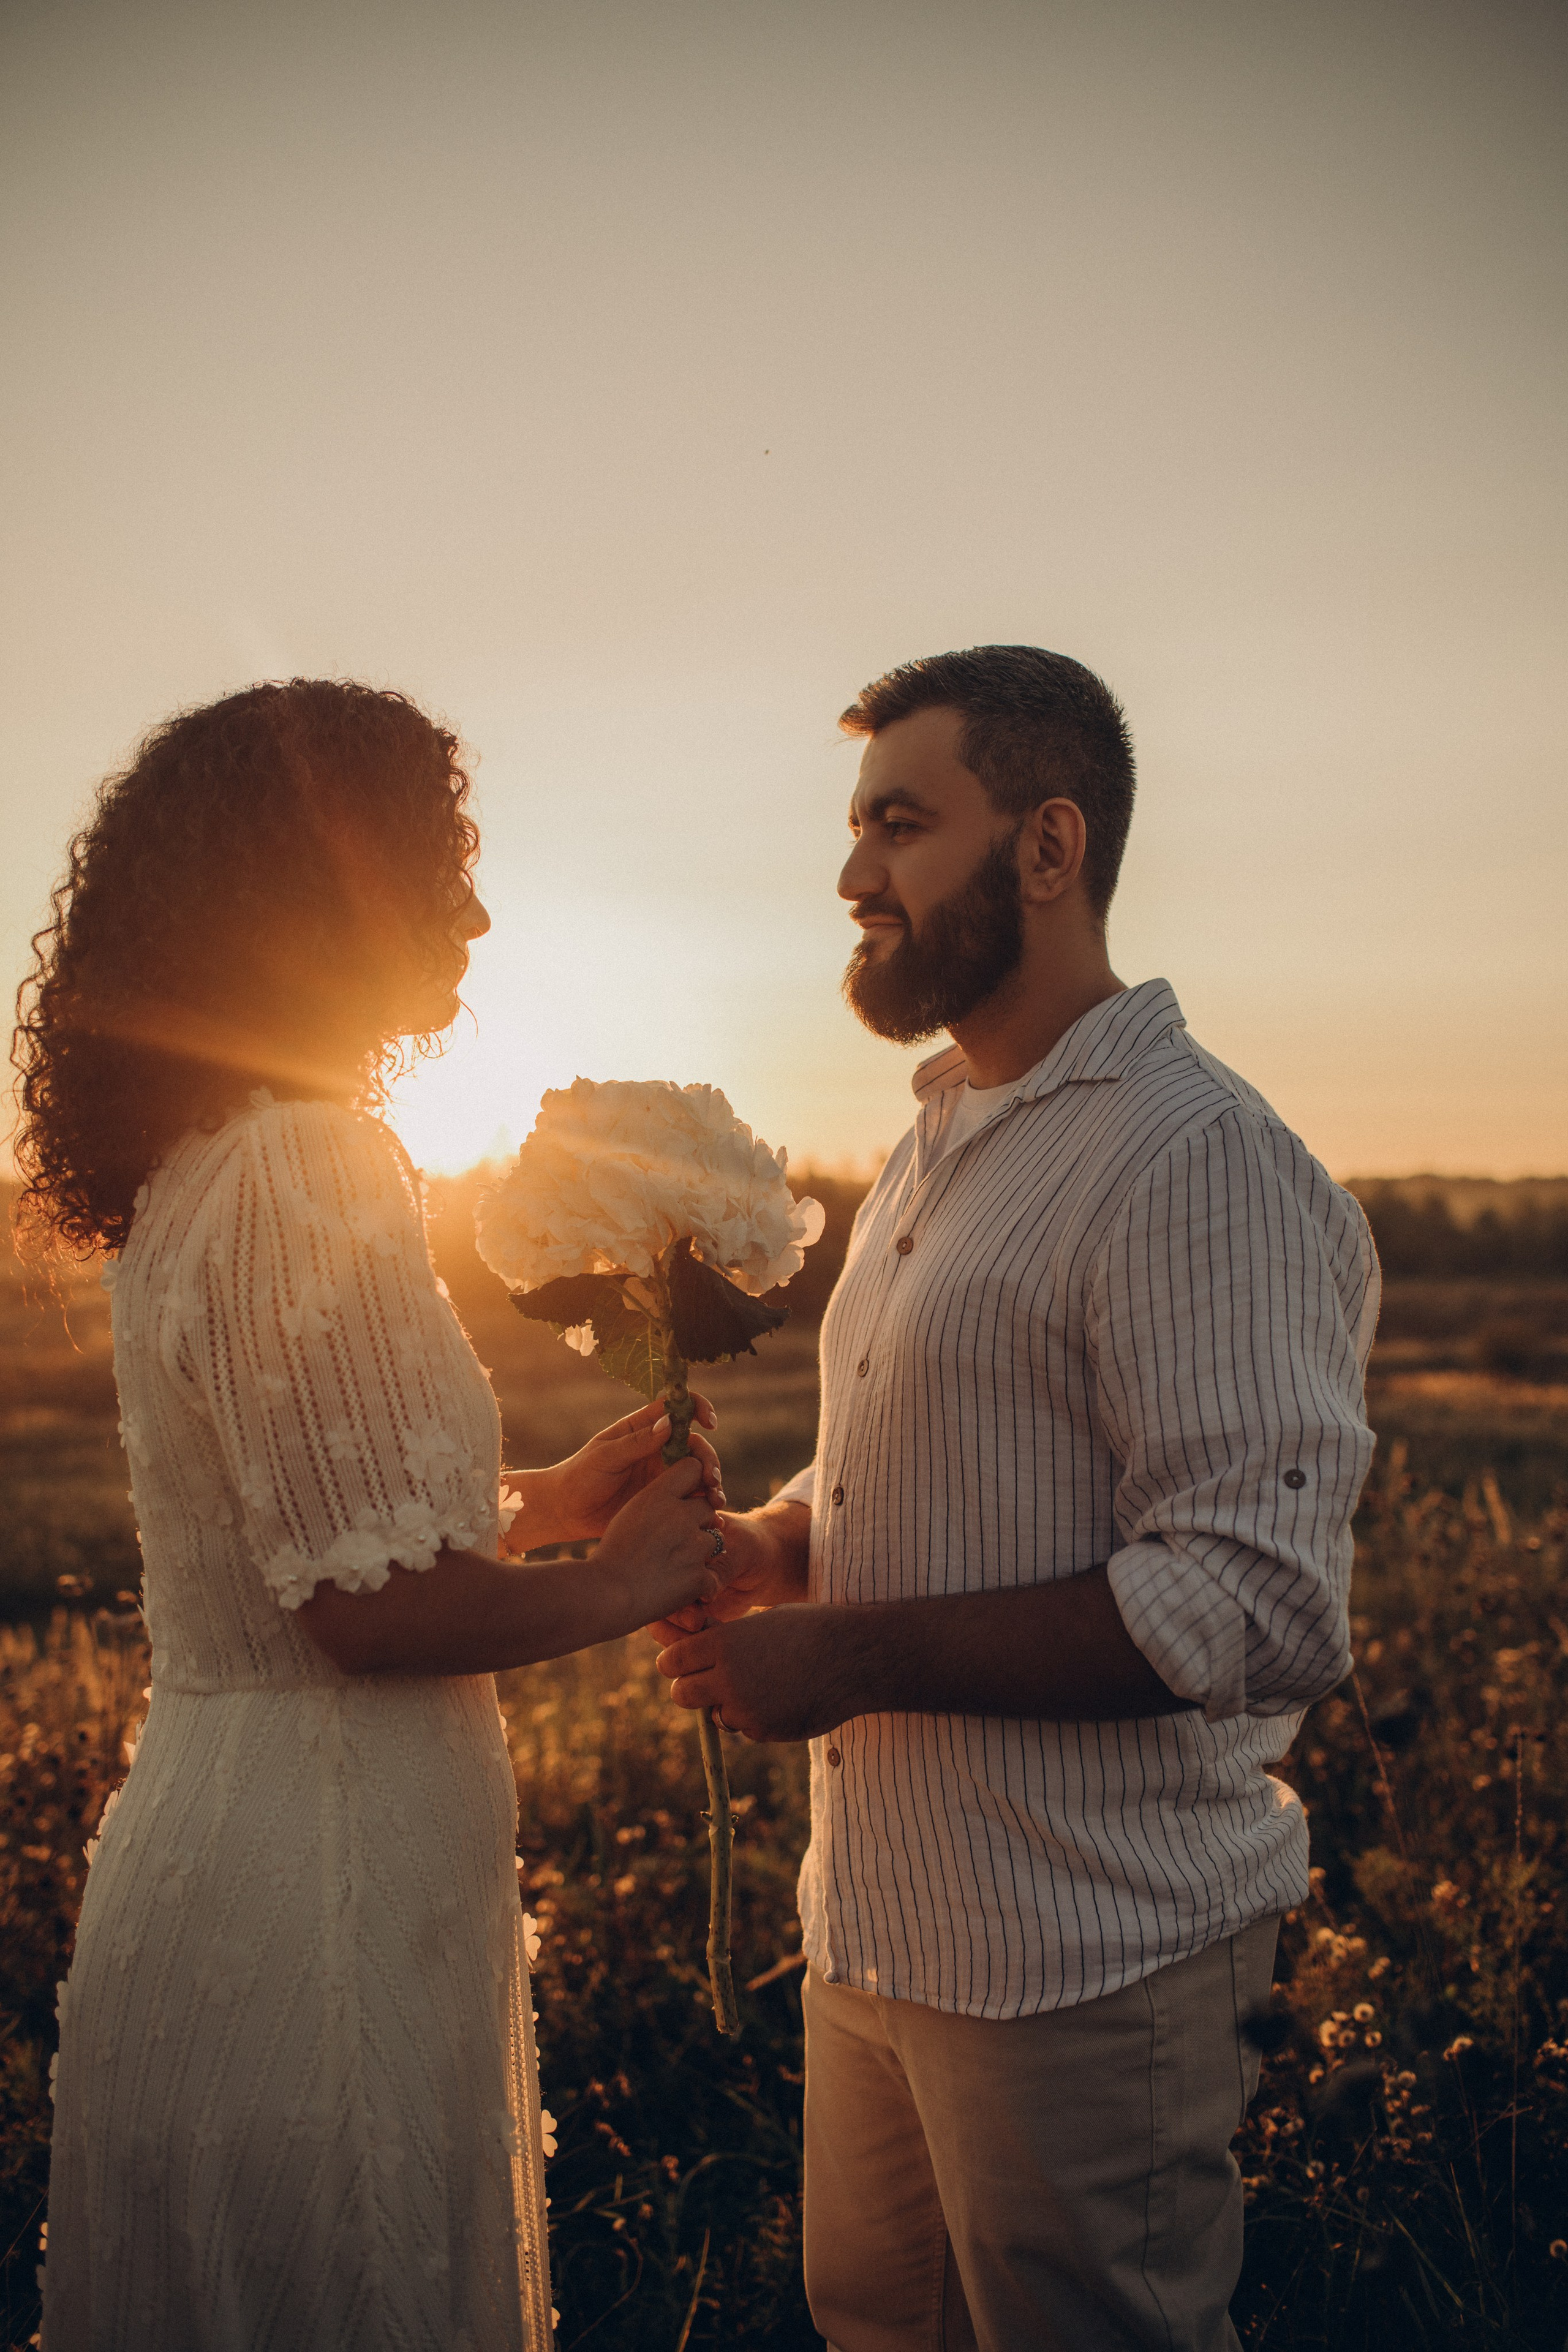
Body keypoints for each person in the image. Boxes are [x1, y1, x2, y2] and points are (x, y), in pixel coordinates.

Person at [655, 645, 1381, 2352]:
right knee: (877, 2326)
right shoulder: (945, 1131)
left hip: (1086, 1956)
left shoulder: (1193, 1161)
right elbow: (948, 1459)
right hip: (883, 1930)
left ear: (1048, 849)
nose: (852, 876)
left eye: (900, 825)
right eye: (856, 828)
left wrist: (847, 1663)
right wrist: (785, 1538)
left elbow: (1254, 1602)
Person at [14, 679, 731, 2352]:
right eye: (436, 862)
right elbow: (357, 1616)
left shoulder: (212, 1160)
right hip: (313, 1888)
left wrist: (546, 1504)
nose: (474, 906)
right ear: (312, 886)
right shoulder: (302, 1165)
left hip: (246, 1833)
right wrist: (622, 1585)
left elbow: (317, 1527)